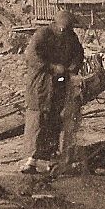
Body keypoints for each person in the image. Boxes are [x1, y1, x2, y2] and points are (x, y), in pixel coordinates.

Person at [21, 9, 84, 174]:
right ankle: (30, 161)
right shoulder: (43, 34)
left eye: (69, 28)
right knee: (37, 121)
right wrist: (51, 67)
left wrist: (71, 69)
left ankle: (49, 158)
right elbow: (31, 55)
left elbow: (79, 54)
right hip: (41, 83)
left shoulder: (71, 37)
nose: (67, 30)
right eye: (65, 27)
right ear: (58, 25)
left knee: (55, 121)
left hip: (59, 83)